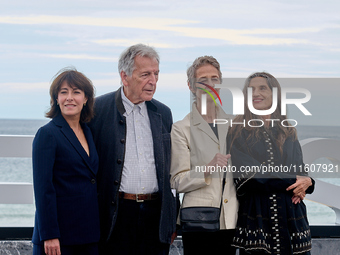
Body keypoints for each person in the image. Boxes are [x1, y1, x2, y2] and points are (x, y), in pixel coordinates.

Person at [88, 44, 177, 255]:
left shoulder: (163, 113)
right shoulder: (97, 110)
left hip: (155, 216)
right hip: (116, 214)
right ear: (124, 76)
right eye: (145, 74)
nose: (153, 81)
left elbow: (170, 171)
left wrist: (171, 218)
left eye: (156, 74)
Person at [227, 72, 315, 255]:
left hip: (293, 219)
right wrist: (293, 180)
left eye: (262, 88)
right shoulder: (237, 130)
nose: (256, 93)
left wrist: (309, 182)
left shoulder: (288, 131)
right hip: (257, 219)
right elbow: (250, 176)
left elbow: (301, 170)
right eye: (250, 89)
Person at [170, 56, 238, 255]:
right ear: (191, 86)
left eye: (214, 78)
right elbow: (177, 181)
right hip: (199, 222)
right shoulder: (181, 129)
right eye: (203, 80)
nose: (210, 84)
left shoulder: (236, 125)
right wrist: (208, 168)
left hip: (232, 220)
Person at [32, 68, 100, 255]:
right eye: (64, 92)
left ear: (86, 99)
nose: (70, 97)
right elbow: (43, 188)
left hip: (88, 234)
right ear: (56, 99)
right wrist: (49, 234)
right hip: (58, 238)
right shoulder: (47, 134)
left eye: (76, 92)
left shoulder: (88, 132)